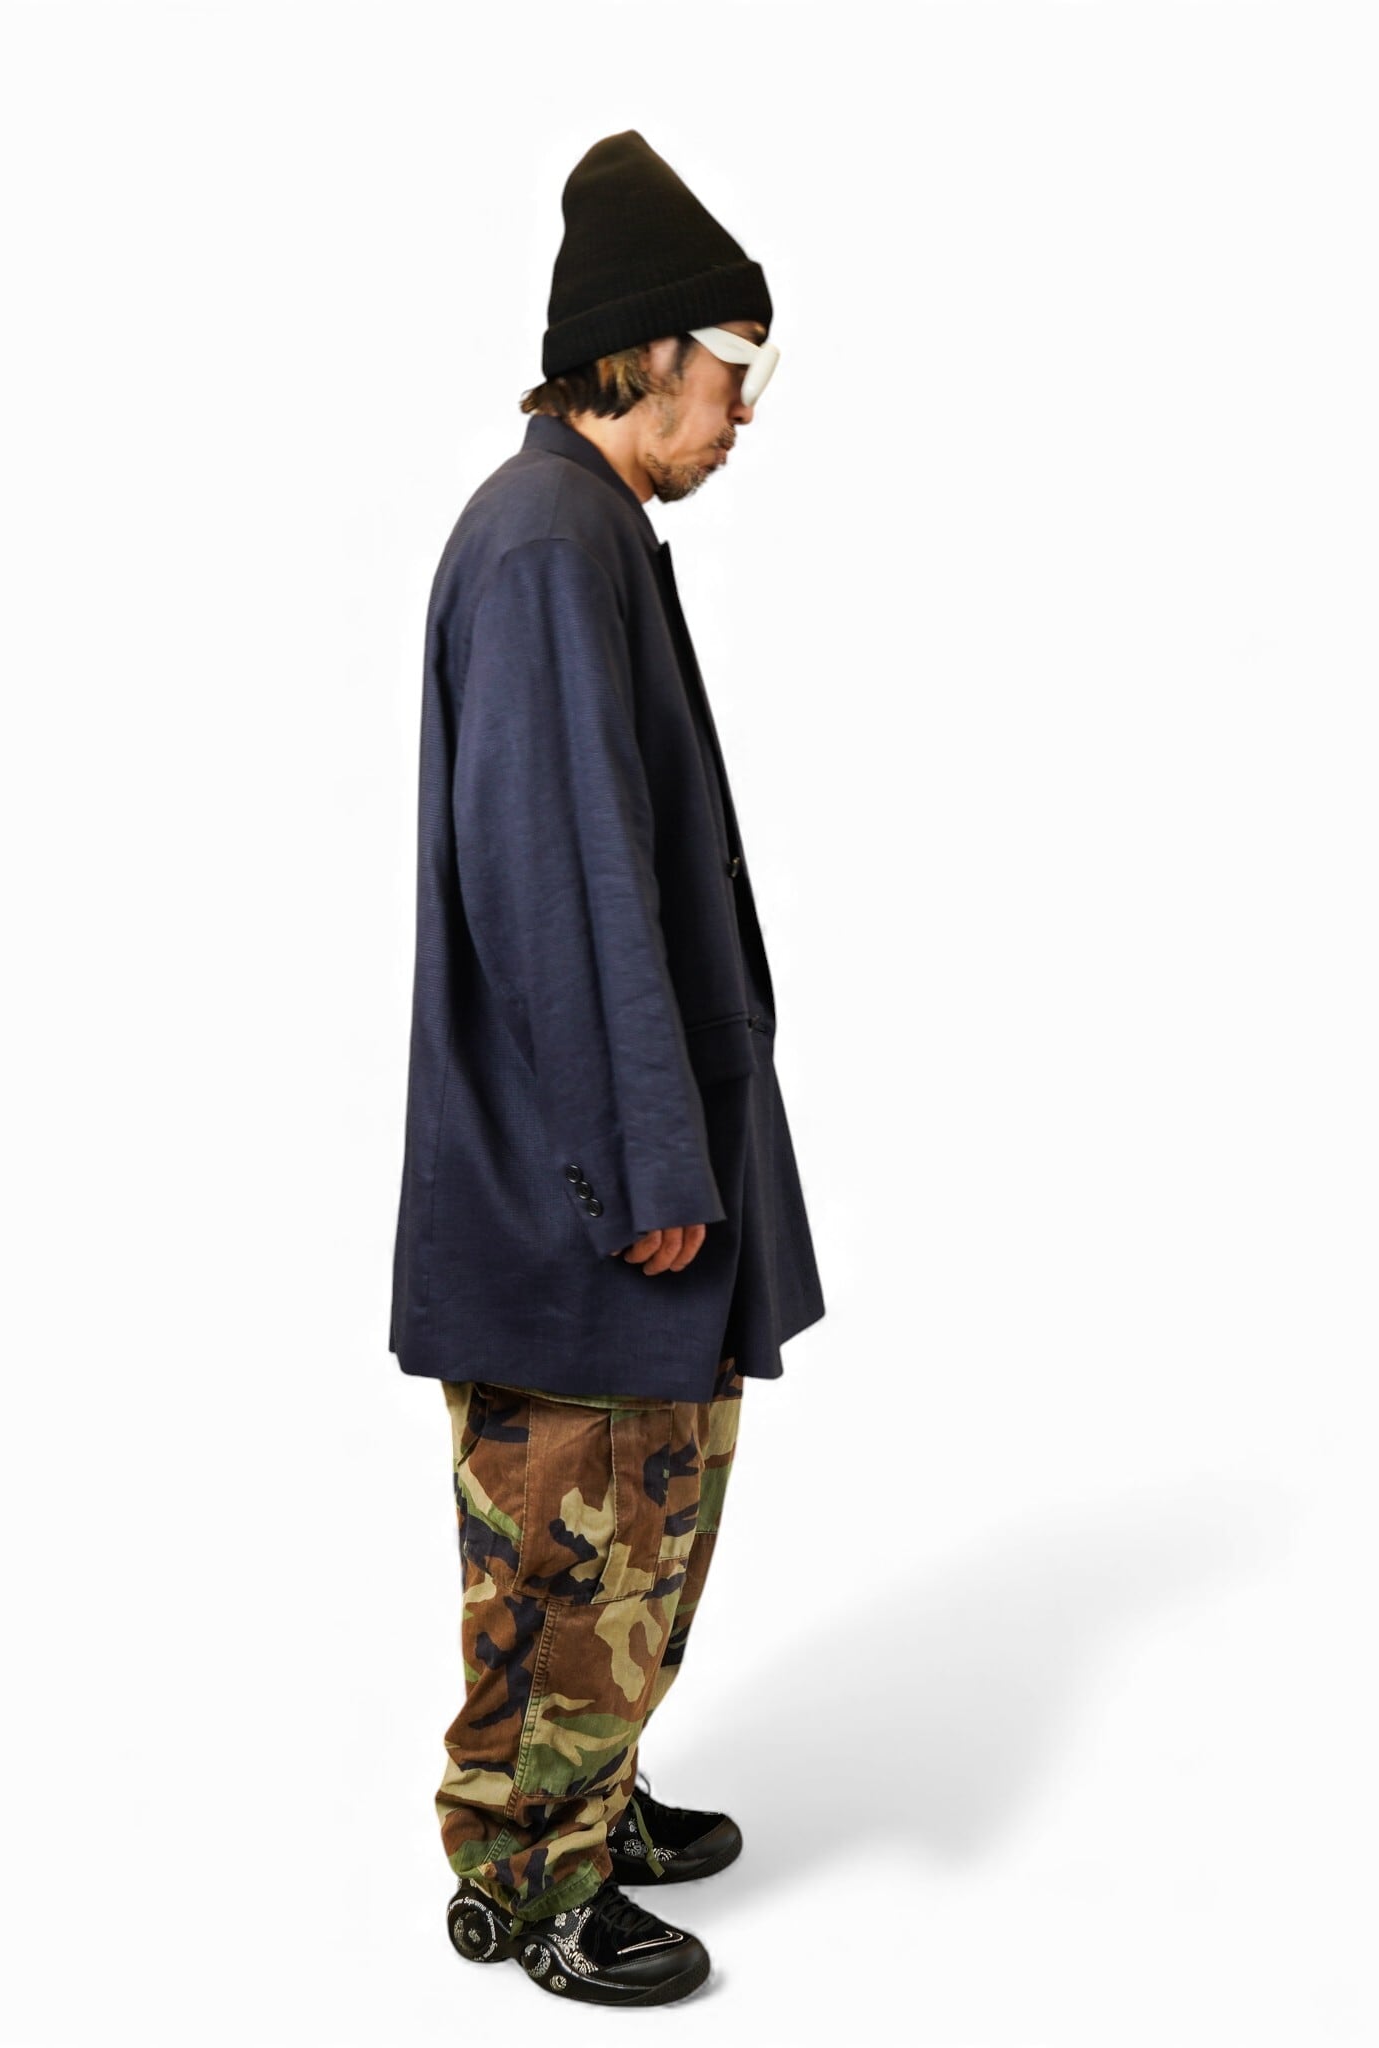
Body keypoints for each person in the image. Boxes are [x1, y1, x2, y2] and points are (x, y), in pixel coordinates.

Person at [388, 129, 825, 2008]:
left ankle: (579, 1798)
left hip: (602, 1171)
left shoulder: (577, 535)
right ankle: (538, 1875)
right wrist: (644, 1166)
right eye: (737, 362)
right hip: (585, 1193)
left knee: (626, 1518)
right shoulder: (548, 544)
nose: (745, 408)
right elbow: (556, 882)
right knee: (585, 1526)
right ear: (643, 351)